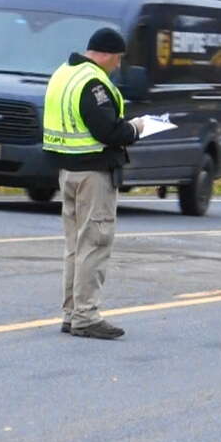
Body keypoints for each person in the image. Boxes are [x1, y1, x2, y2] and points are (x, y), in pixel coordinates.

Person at [43, 27, 145, 340]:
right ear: (106, 54)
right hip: (93, 174)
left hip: (68, 171)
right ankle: (86, 316)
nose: (117, 65)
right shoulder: (92, 83)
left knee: (75, 246)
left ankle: (72, 312)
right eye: (117, 59)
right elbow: (108, 132)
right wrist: (136, 128)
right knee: (95, 243)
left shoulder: (64, 73)